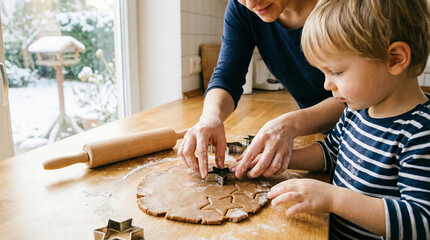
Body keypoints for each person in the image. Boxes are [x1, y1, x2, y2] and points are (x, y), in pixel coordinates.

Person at [267, 0, 430, 238]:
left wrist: (334, 198)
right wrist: (280, 159)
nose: (326, 84)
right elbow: (331, 152)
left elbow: (421, 222)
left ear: (394, 59)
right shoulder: (357, 110)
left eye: (337, 72)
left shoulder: (421, 132)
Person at [178, 0, 346, 179]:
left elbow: (370, 96)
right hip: (330, 145)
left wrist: (292, 124)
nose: (250, 4)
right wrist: (210, 117)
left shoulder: (348, 8)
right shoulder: (241, 8)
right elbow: (227, 76)